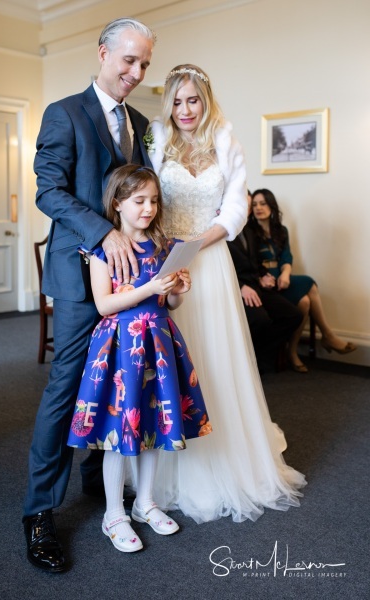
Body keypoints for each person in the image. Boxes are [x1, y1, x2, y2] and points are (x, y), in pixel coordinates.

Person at [23, 18, 156, 572]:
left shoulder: (142, 123)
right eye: (128, 61)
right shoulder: (64, 113)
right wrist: (103, 232)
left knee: (116, 381)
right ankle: (39, 512)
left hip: (129, 282)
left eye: (145, 64)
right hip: (79, 278)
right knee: (66, 387)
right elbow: (48, 191)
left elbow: (144, 196)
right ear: (103, 53)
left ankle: (95, 483)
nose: (136, 72)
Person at [146, 64, 306, 524]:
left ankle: (228, 456)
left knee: (215, 357)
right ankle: (168, 465)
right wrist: (167, 250)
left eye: (192, 99)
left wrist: (199, 242)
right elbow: (146, 196)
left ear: (206, 99)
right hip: (167, 261)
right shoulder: (157, 137)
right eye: (177, 101)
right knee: (172, 360)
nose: (185, 109)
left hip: (211, 260)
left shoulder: (225, 138)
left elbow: (237, 204)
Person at [67, 164, 211, 552]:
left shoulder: (165, 245)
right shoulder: (103, 249)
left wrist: (179, 289)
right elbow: (103, 304)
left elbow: (170, 303)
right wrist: (148, 286)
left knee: (151, 427)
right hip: (120, 348)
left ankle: (145, 501)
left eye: (153, 200)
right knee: (118, 433)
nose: (148, 208)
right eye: (139, 201)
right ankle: (114, 513)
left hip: (159, 345)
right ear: (118, 203)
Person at [249, 188, 357, 373]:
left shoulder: (280, 230)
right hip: (265, 282)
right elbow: (251, 262)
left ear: (271, 205)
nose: (258, 208)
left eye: (263, 203)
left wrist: (285, 273)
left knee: (305, 301)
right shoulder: (250, 231)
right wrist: (261, 277)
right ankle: (327, 335)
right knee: (308, 285)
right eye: (255, 204)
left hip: (280, 278)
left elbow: (286, 256)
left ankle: (293, 351)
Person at [227, 192, 303, 373]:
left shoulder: (250, 230)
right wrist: (240, 287)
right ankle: (251, 363)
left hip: (256, 284)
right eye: (248, 204)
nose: (250, 208)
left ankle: (258, 353)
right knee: (261, 320)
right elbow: (220, 269)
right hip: (238, 288)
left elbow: (255, 262)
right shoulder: (224, 232)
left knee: (294, 315)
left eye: (249, 204)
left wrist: (264, 275)